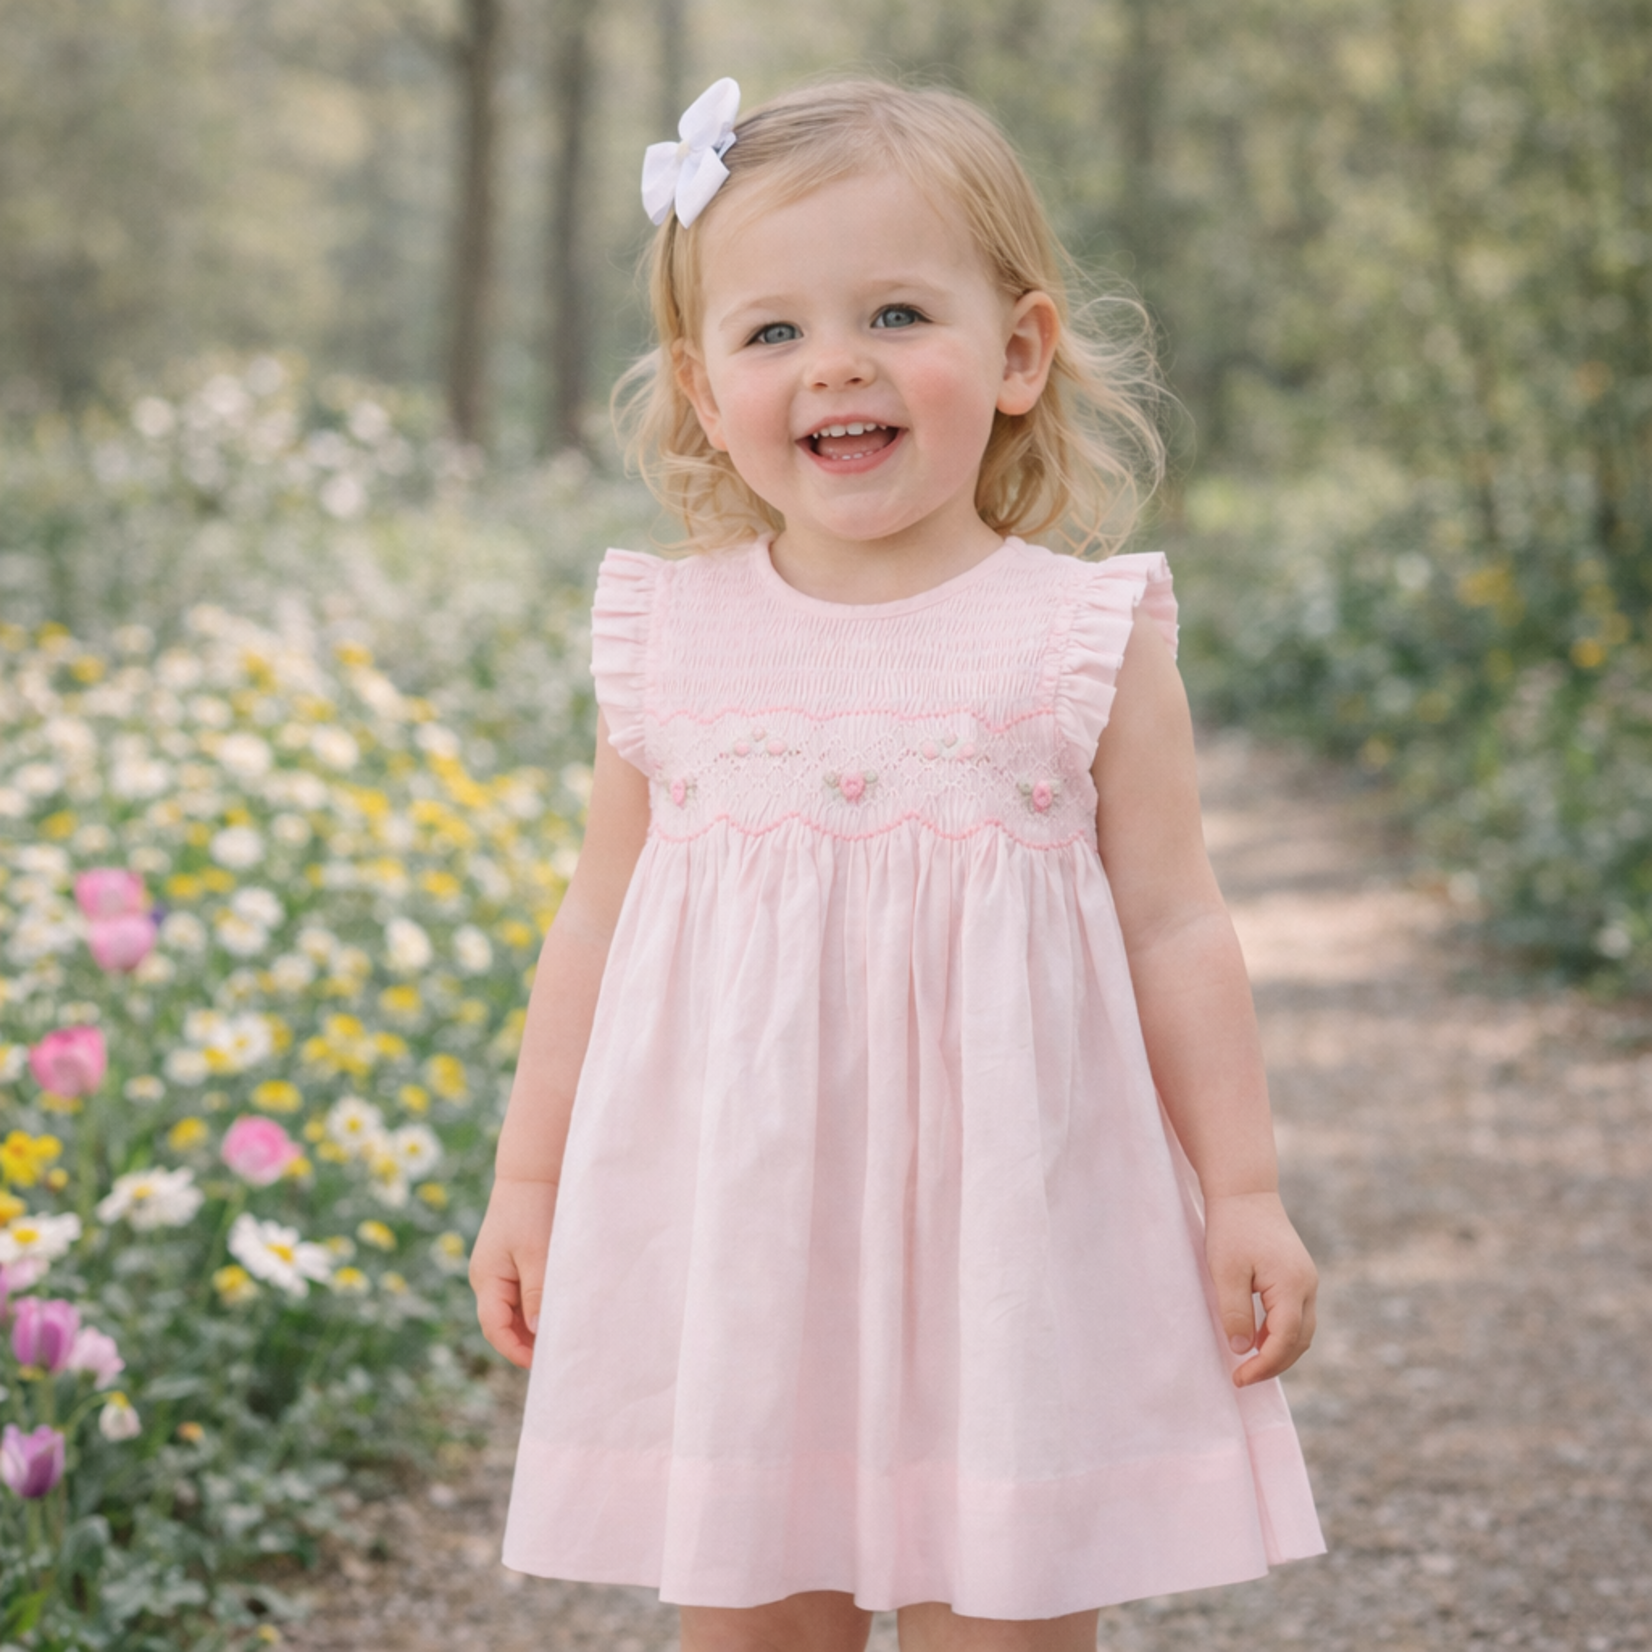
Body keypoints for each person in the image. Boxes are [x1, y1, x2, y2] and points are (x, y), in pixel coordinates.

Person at [471, 74, 1324, 1652]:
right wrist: (531, 1180)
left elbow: (1177, 924)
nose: (836, 364)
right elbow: (594, 925)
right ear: (699, 382)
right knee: (749, 1614)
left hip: (1005, 1239)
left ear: (1017, 353)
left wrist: (1246, 1190)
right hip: (744, 1238)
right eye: (772, 332)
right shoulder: (672, 634)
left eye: (895, 313)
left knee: (995, 1612)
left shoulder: (1083, 635)